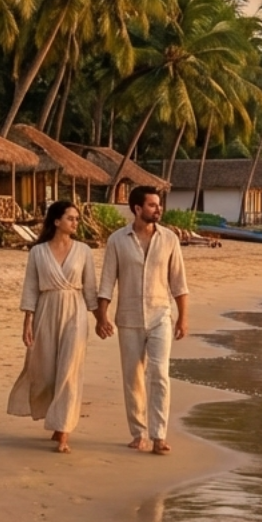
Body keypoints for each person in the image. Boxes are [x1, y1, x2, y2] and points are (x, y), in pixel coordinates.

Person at [96, 186, 189, 456]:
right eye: (151, 205)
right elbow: (106, 282)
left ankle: (159, 435)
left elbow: (179, 282)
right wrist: (101, 316)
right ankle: (139, 433)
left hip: (161, 315)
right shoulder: (117, 240)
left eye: (158, 205)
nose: (158, 209)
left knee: (159, 374)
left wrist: (183, 317)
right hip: (128, 318)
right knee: (133, 377)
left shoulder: (170, 239)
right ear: (137, 209)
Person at [8, 200, 99, 453]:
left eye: (77, 219)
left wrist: (101, 318)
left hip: (75, 310)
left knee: (70, 371)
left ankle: (63, 431)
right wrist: (27, 321)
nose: (75, 222)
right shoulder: (38, 252)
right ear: (56, 221)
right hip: (46, 310)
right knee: (46, 371)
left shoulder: (84, 251)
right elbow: (30, 288)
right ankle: (54, 417)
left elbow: (90, 287)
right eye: (70, 218)